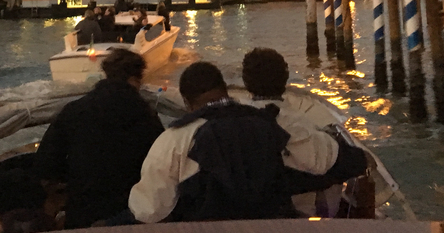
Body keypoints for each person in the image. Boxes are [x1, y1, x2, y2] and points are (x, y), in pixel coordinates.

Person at [128, 61, 293, 223]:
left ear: (186, 102)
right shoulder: (269, 123)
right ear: (225, 90)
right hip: (269, 226)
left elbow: (149, 211)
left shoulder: (175, 140)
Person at [35, 50, 164, 228]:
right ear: (135, 79)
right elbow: (160, 166)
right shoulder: (147, 116)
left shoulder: (74, 111)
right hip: (130, 213)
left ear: (107, 74)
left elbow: (46, 163)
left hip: (83, 211)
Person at [241, 48, 368, 198]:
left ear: (246, 82)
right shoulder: (296, 123)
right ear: (285, 78)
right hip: (292, 206)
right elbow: (355, 162)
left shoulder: (235, 123)